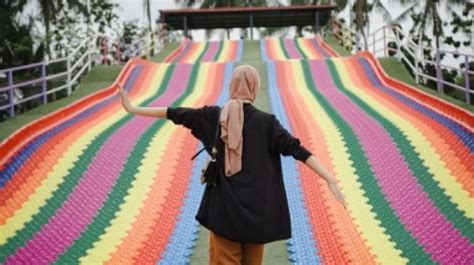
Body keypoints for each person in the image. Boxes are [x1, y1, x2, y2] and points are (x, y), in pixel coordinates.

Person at [119, 65, 346, 265]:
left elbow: (174, 113)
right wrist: (329, 178)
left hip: (224, 215)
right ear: (254, 88)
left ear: (232, 86)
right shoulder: (268, 123)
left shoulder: (211, 117)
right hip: (257, 218)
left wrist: (134, 109)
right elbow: (298, 150)